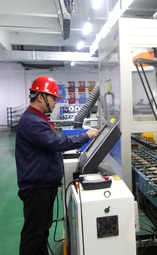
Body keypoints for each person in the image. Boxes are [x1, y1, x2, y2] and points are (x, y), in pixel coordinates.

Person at [15, 76, 100, 255]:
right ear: (41, 97)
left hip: (42, 185)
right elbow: (56, 143)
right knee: (33, 235)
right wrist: (86, 135)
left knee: (41, 232)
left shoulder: (38, 119)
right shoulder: (32, 121)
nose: (55, 103)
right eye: (53, 98)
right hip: (37, 188)